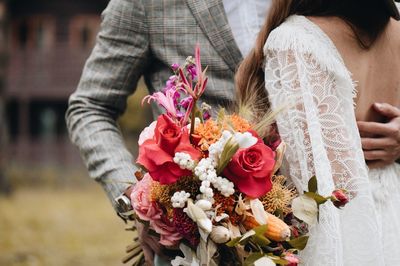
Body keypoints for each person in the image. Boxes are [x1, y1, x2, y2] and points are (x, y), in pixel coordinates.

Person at [66, 0, 400, 264]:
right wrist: (140, 201)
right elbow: (90, 106)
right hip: (199, 239)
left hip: (321, 232)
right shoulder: (146, 4)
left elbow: (361, 72)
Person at [235, 0, 400, 265]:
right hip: (393, 223)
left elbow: (323, 190)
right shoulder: (396, 28)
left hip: (343, 237)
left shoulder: (294, 41)